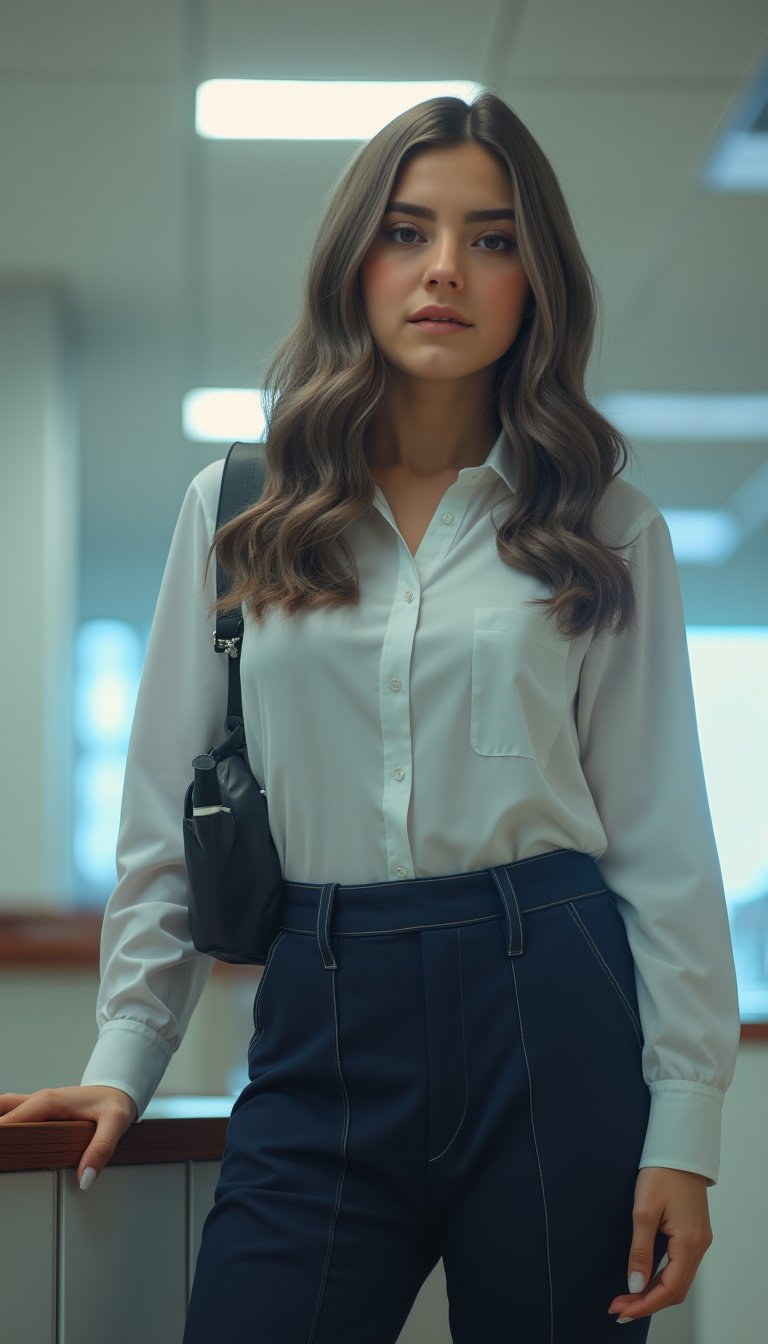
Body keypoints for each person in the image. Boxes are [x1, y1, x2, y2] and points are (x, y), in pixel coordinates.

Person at [0, 92, 741, 1343]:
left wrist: (686, 1127)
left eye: (493, 239)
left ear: (536, 281)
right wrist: (126, 1055)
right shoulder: (237, 506)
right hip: (322, 1009)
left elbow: (662, 841)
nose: (446, 268)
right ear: (357, 260)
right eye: (409, 231)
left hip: (550, 1005)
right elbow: (168, 815)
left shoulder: (608, 523)